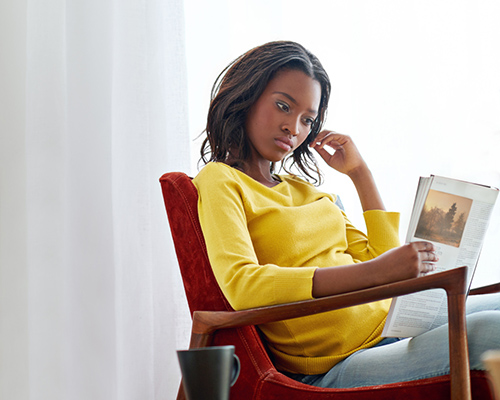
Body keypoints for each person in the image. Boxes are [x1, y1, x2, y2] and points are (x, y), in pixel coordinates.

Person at [193, 40, 500, 389]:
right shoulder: (221, 180)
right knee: (494, 331)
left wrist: (360, 174)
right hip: (340, 363)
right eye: (283, 106)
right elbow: (243, 285)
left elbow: (384, 266)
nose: (293, 128)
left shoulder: (308, 191)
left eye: (307, 120)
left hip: (389, 328)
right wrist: (375, 272)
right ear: (245, 98)